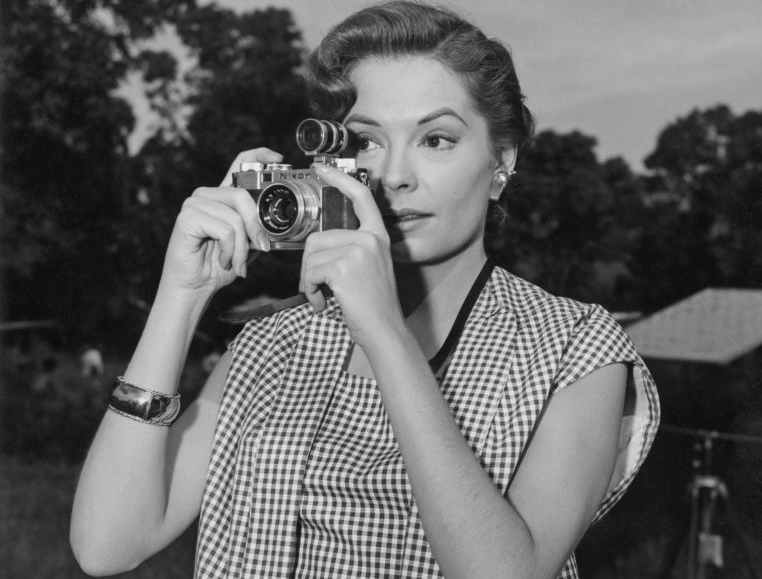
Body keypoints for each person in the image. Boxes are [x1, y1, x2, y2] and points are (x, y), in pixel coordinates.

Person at [71, 2, 660, 578]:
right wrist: (183, 294)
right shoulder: (276, 343)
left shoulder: (574, 347)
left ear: (501, 161)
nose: (396, 175)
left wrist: (384, 332)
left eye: (436, 140)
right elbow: (107, 546)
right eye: (368, 142)